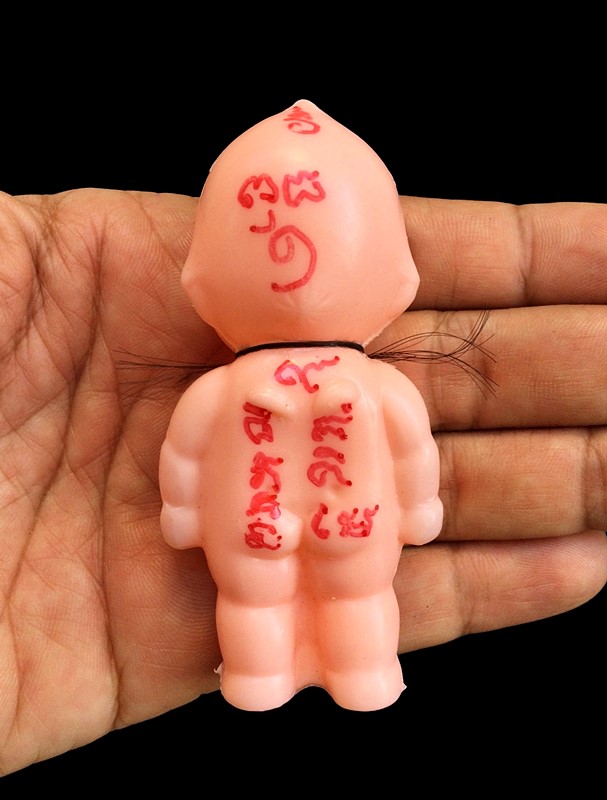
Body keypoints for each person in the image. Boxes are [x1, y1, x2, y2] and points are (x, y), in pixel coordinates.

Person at [0, 187, 605, 777]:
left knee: (283, 600)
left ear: (199, 282)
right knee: (332, 598)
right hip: (333, 521)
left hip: (264, 521)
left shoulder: (225, 389)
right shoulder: (372, 385)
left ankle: (297, 676)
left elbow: (187, 454)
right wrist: (419, 506)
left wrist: (183, 512)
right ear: (399, 281)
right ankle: (316, 674)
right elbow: (408, 451)